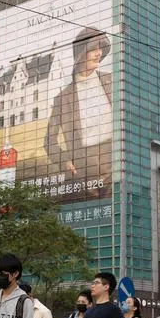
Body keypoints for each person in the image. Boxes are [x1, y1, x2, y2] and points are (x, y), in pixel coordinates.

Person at [43, 28, 113, 198]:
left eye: (101, 48)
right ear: (81, 53)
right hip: (85, 171)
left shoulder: (112, 80)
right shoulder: (63, 98)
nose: (99, 53)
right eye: (93, 49)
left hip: (115, 161)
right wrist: (66, 162)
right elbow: (49, 140)